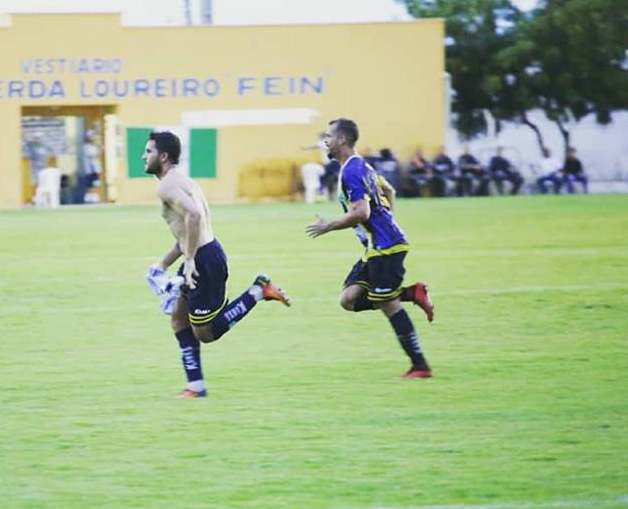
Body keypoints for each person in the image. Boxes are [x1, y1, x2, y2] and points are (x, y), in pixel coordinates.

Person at [144, 131, 291, 398]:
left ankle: (258, 291)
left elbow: (194, 215)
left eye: (149, 151)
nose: (144, 156)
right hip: (204, 254)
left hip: (202, 261)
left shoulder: (165, 185)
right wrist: (161, 265)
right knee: (179, 319)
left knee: (206, 333)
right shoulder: (184, 181)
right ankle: (196, 387)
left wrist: (189, 262)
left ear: (163, 156)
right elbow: (186, 232)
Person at [305, 118, 435, 379]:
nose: (325, 141)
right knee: (349, 299)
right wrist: (387, 222)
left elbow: (362, 212)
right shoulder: (360, 166)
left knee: (389, 306)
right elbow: (390, 190)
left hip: (386, 250)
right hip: (377, 247)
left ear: (342, 140)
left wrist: (330, 225)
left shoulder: (351, 171)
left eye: (329, 136)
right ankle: (411, 293)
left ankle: (420, 366)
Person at [73, 131, 102, 203]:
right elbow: (93, 155)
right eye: (90, 137)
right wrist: (99, 149)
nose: (91, 138)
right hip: (90, 170)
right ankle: (89, 199)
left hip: (95, 169)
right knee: (90, 185)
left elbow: (97, 155)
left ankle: (94, 198)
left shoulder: (93, 146)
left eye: (92, 136)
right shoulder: (86, 147)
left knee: (96, 183)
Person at [23, 132, 51, 199]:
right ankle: (35, 197)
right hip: (35, 168)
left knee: (44, 184)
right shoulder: (32, 146)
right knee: (35, 183)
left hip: (44, 167)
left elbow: (50, 153)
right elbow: (26, 141)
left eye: (39, 138)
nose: (37, 139)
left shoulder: (45, 146)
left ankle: (44, 198)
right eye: (36, 138)